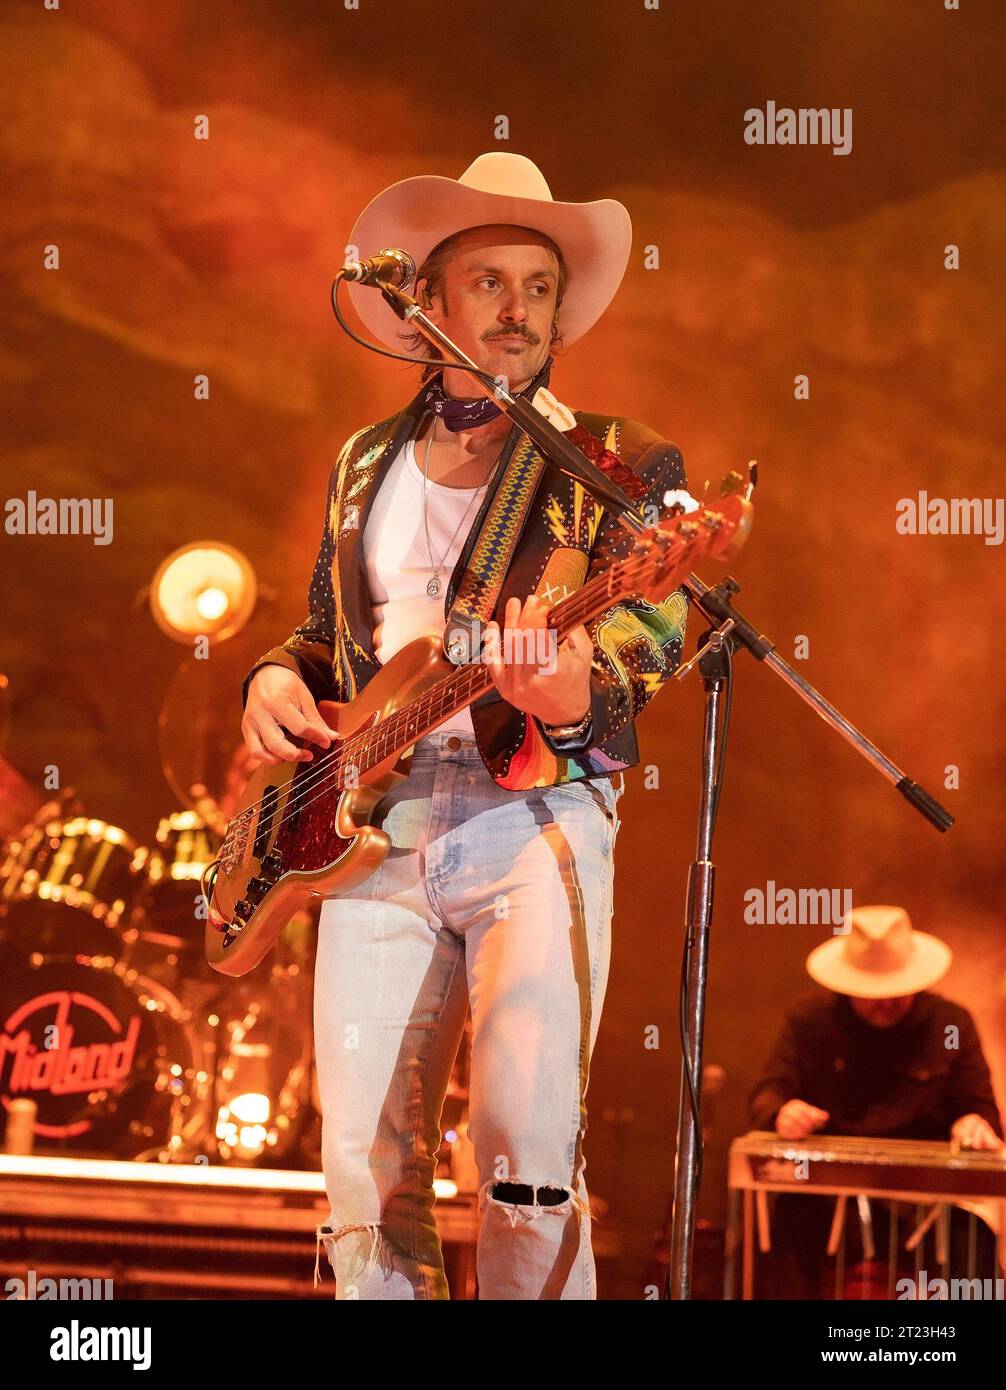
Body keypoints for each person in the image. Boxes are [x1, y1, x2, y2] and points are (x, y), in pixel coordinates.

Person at [239, 153, 691, 1299]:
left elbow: (676, 621)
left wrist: (579, 695)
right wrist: (269, 676)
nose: (517, 309)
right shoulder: (362, 460)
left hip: (530, 813)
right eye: (488, 281)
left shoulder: (612, 460)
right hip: (365, 822)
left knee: (522, 1161)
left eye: (538, 287)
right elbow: (325, 636)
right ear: (426, 304)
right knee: (360, 1170)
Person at [748, 904, 1003, 1298]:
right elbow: (769, 1092)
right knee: (788, 1222)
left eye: (895, 991)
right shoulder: (809, 1021)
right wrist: (783, 1113)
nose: (885, 1003)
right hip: (831, 1195)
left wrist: (973, 1122)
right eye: (872, 994)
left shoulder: (951, 1023)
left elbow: (981, 1107)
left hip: (930, 1197)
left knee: (973, 1236)